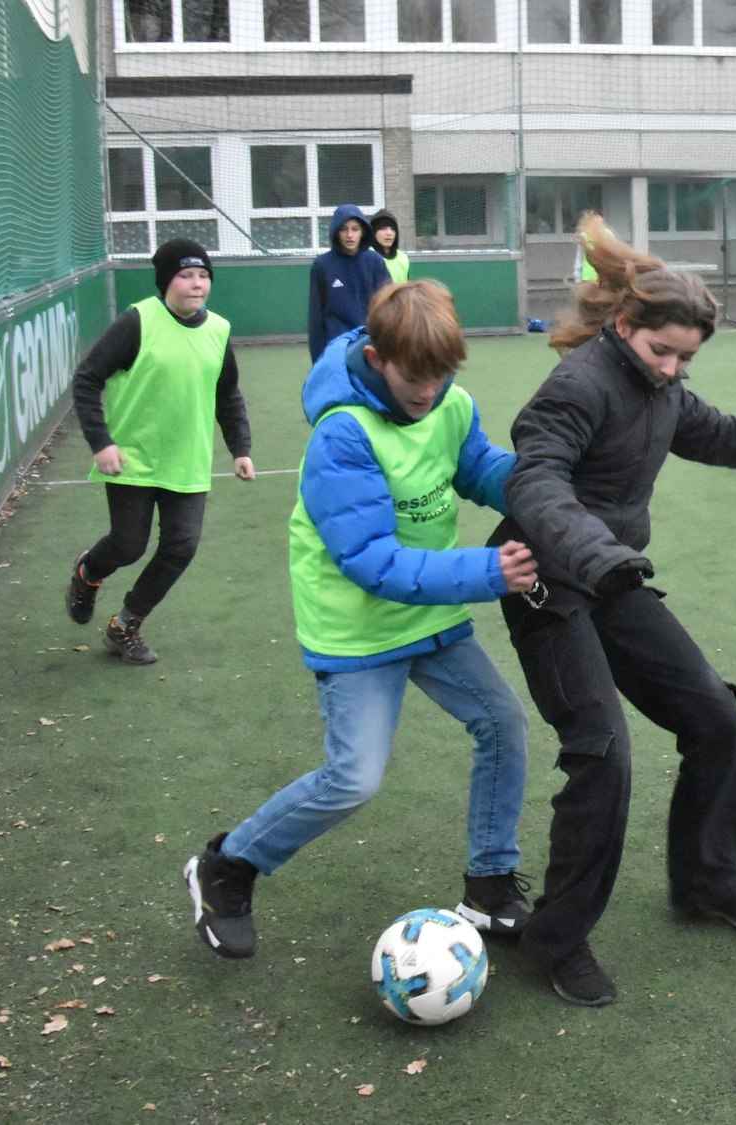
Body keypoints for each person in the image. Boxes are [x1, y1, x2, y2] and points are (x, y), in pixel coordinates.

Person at [493, 217, 736, 1007]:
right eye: (664, 351)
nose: (674, 369)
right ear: (625, 326)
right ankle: (556, 939)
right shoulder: (577, 387)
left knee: (714, 719)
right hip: (546, 583)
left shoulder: (661, 389)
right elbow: (536, 483)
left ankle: (706, 881)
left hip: (613, 579)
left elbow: (731, 435)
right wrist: (596, 552)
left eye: (687, 358)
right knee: (603, 752)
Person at [183, 280, 540, 961]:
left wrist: (535, 481)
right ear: (377, 357)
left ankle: (489, 884)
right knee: (354, 777)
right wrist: (490, 573)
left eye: (442, 374)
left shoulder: (451, 404)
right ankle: (227, 866)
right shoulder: (342, 434)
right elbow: (371, 560)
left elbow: (478, 467)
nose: (428, 389)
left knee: (502, 721)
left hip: (428, 618)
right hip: (356, 630)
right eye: (414, 375)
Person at [64, 238, 254, 666]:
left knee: (181, 546)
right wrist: (102, 442)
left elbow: (228, 396)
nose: (197, 284)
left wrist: (240, 448)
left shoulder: (219, 330)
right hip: (133, 459)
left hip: (186, 462)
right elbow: (88, 379)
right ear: (166, 280)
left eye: (204, 276)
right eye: (186, 275)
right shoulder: (138, 321)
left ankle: (125, 625)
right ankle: (87, 573)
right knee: (129, 546)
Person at [308, 204, 391, 361]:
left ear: (363, 231)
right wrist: (318, 361)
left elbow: (389, 308)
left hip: (370, 347)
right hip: (337, 350)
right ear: (336, 232)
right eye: (343, 229)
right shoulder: (322, 265)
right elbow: (316, 318)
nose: (349, 235)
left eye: (355, 229)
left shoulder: (375, 262)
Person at [368, 208, 410, 284]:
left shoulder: (403, 258)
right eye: (383, 228)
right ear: (373, 232)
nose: (389, 233)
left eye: (393, 229)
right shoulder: (366, 257)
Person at [569, 208, 608, 284]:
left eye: (599, 218)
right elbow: (579, 259)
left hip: (605, 278)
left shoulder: (608, 235)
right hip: (589, 279)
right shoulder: (584, 236)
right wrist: (578, 279)